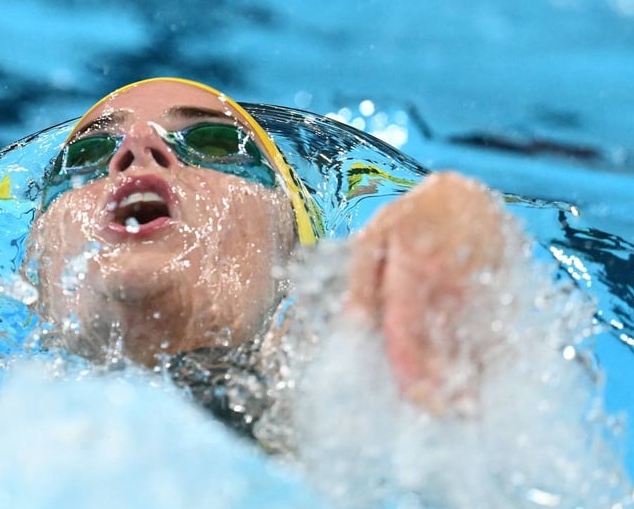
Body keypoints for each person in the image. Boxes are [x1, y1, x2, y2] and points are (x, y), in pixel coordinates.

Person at [25, 77, 510, 444]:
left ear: (293, 258)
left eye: (214, 143)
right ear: (36, 273)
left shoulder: (351, 437)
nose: (137, 147)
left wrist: (456, 218)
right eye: (87, 155)